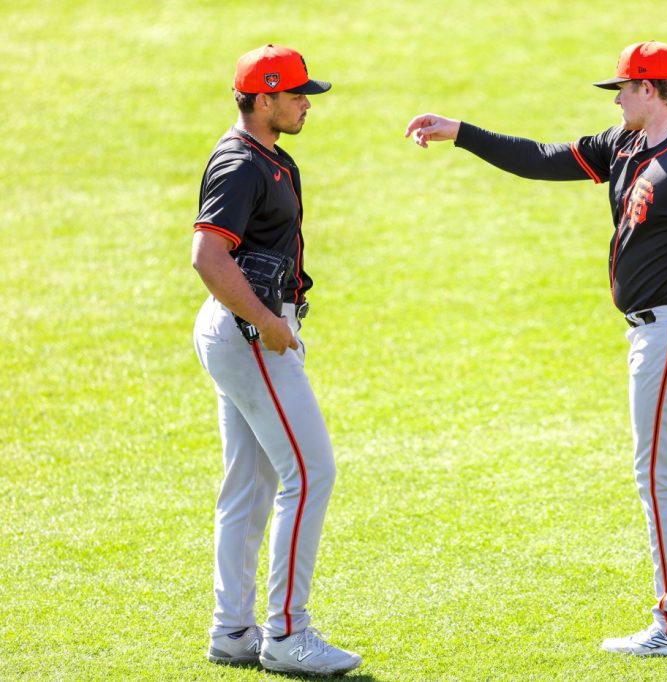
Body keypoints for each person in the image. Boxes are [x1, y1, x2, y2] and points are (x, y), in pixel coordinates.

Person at [405, 41, 667, 656]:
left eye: (622, 87)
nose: (616, 97)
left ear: (651, 90)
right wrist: (461, 132)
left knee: (657, 476)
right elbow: (542, 158)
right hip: (665, 331)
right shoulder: (628, 143)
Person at [191, 44, 362, 675]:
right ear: (263, 99)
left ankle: (232, 631)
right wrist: (267, 325)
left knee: (251, 485)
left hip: (239, 332)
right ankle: (287, 634)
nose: (306, 103)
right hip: (249, 335)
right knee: (312, 473)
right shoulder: (241, 164)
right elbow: (209, 257)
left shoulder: (269, 157)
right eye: (296, 95)